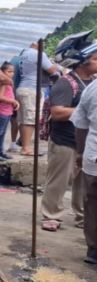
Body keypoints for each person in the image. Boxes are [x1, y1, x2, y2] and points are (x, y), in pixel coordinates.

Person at [41, 31, 97, 233]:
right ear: (82, 62)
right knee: (59, 180)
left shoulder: (93, 83)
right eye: (95, 59)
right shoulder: (66, 83)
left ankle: (83, 216)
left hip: (87, 142)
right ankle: (51, 214)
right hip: (65, 141)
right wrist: (86, 111)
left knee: (85, 184)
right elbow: (57, 112)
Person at [16, 42, 61, 156]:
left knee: (25, 120)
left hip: (24, 88)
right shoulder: (38, 54)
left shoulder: (25, 53)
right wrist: (54, 63)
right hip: (33, 89)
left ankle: (25, 146)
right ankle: (26, 148)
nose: (45, 43)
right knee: (32, 120)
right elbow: (52, 70)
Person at [72, 80, 97, 264]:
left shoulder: (93, 87)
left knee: (93, 206)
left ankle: (94, 250)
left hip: (94, 157)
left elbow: (81, 124)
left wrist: (80, 151)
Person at [0, 62, 19, 161]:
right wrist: (14, 101)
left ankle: (0, 151)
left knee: (3, 131)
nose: (11, 74)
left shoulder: (8, 82)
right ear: (2, 72)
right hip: (2, 111)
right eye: (9, 71)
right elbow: (0, 97)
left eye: (13, 72)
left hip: (8, 111)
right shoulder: (3, 83)